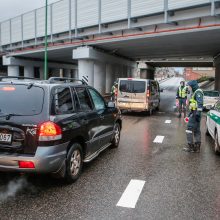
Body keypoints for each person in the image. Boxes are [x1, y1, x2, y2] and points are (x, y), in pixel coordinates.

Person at [183, 80, 204, 153]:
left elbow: (200, 103)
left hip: (195, 114)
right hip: (195, 113)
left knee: (189, 129)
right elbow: (194, 105)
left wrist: (197, 113)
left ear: (192, 86)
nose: (188, 87)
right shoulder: (195, 92)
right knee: (197, 130)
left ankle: (191, 147)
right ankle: (197, 148)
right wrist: (189, 114)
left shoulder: (198, 92)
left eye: (189, 86)